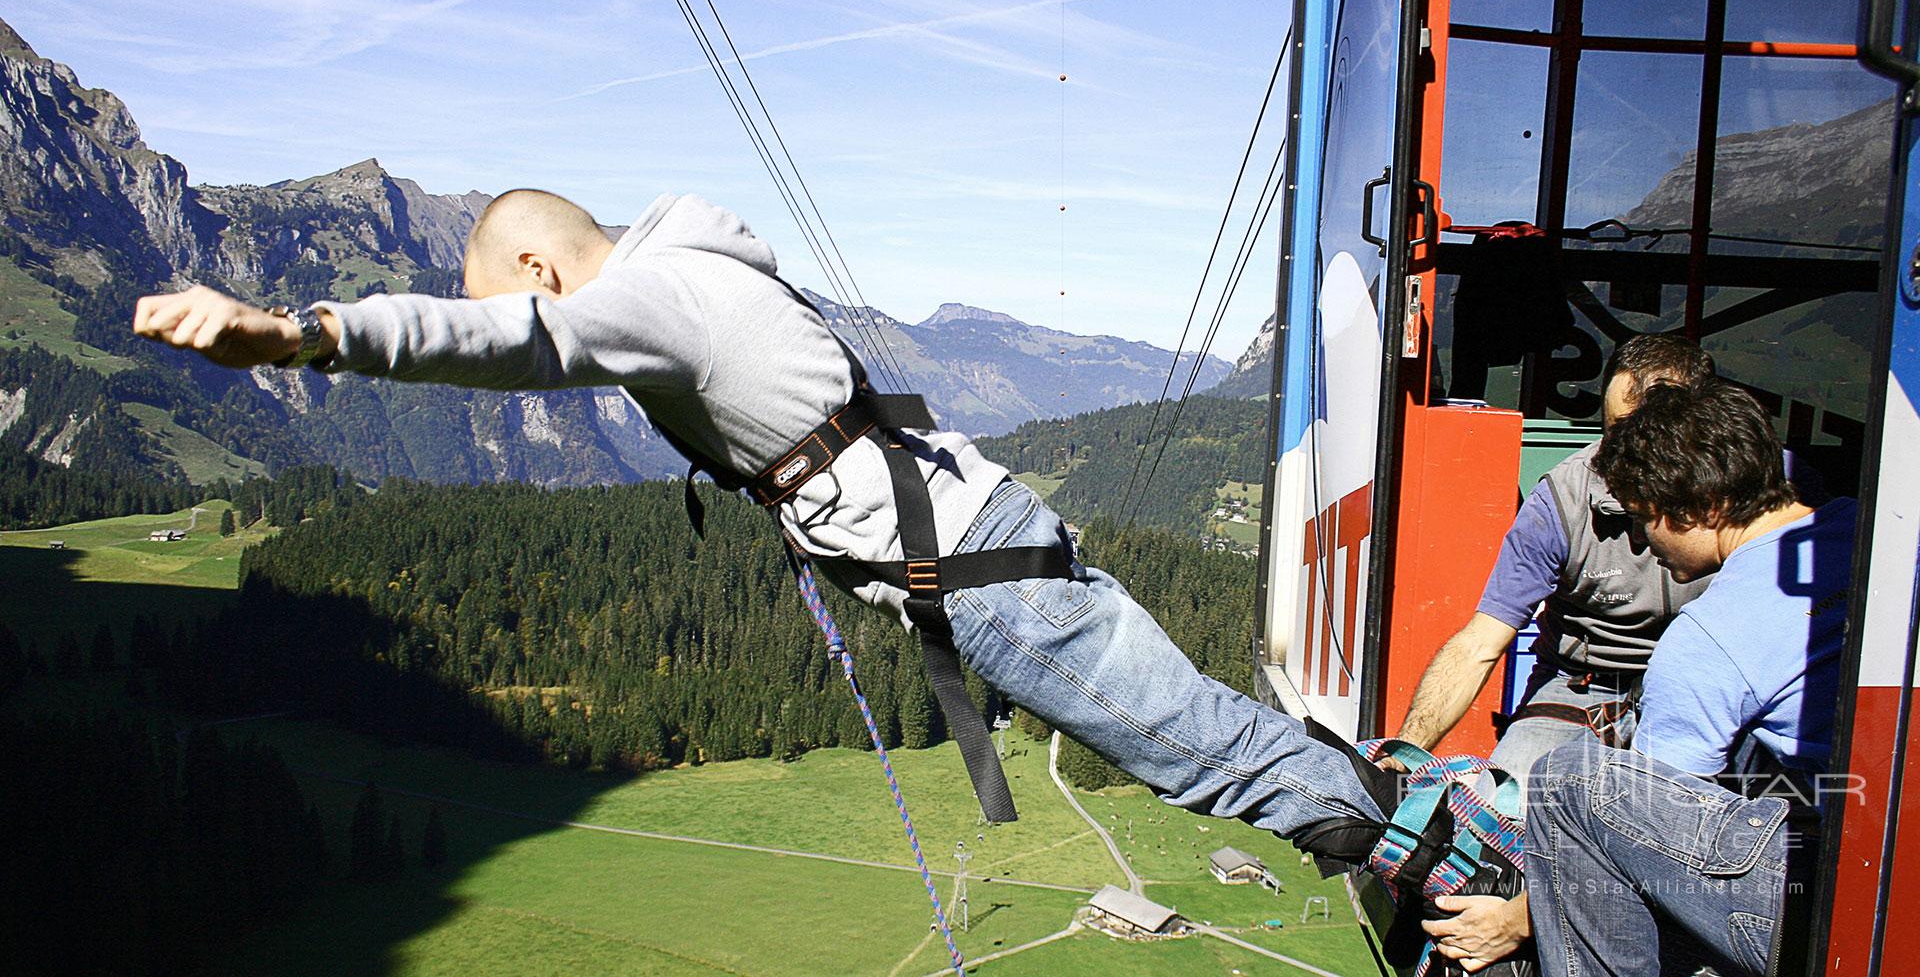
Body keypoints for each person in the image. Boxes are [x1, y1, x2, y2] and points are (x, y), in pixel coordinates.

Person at [131, 189, 1393, 856]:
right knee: (1204, 736)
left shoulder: (649, 299)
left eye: (511, 291)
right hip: (996, 534)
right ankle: (1407, 827)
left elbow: (513, 346)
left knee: (1208, 757)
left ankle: (1434, 857)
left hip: (982, 578)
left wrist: (307, 334)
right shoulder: (715, 268)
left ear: (536, 266)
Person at [1397, 335, 1715, 969]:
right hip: (1582, 683)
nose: (1618, 455)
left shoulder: (1743, 497)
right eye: (1613, 430)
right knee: (1496, 825)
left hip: (1700, 690)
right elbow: (1484, 640)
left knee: (1679, 843)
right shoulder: (1566, 498)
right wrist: (1407, 752)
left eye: (1641, 436)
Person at [1520, 380, 1854, 977]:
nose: (1646, 544)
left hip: (1819, 899)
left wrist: (1518, 915)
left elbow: (1643, 827)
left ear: (1698, 510)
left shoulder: (1710, 636)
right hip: (1877, 859)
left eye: (1648, 519)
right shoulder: (1870, 532)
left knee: (1574, 782)